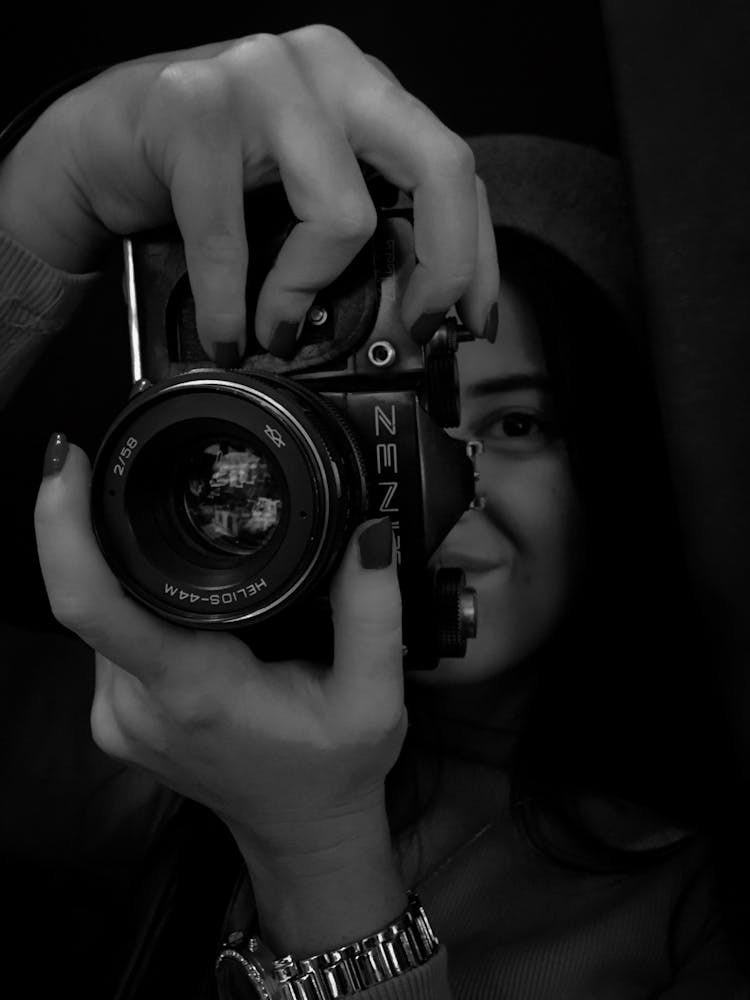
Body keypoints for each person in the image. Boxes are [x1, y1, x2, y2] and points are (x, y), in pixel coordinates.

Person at [1, 24, 747, 999]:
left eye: (515, 419)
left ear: (619, 463)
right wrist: (56, 182)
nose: (446, 469)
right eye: (389, 411)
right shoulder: (139, 726)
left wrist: (316, 848)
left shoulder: (698, 903)